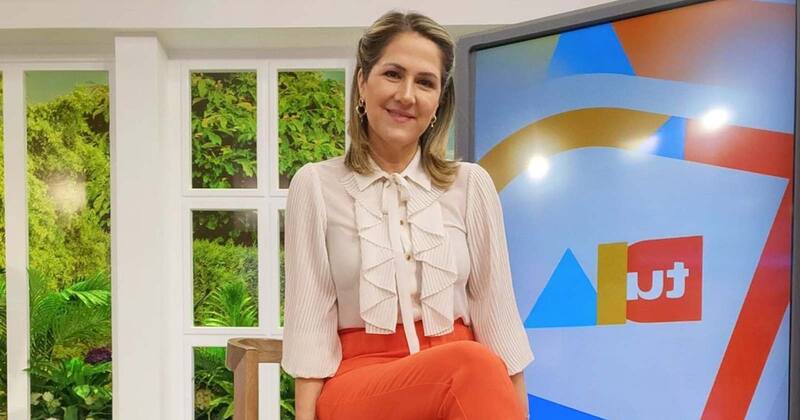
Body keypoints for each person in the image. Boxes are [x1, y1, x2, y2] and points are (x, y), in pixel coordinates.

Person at [281, 10, 534, 420]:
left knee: (475, 365)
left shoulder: (471, 185)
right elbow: (309, 327)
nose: (407, 95)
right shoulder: (315, 185)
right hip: (362, 385)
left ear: (438, 102)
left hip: (464, 380)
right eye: (393, 74)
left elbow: (498, 316)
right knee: (472, 364)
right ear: (362, 83)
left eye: (425, 82)